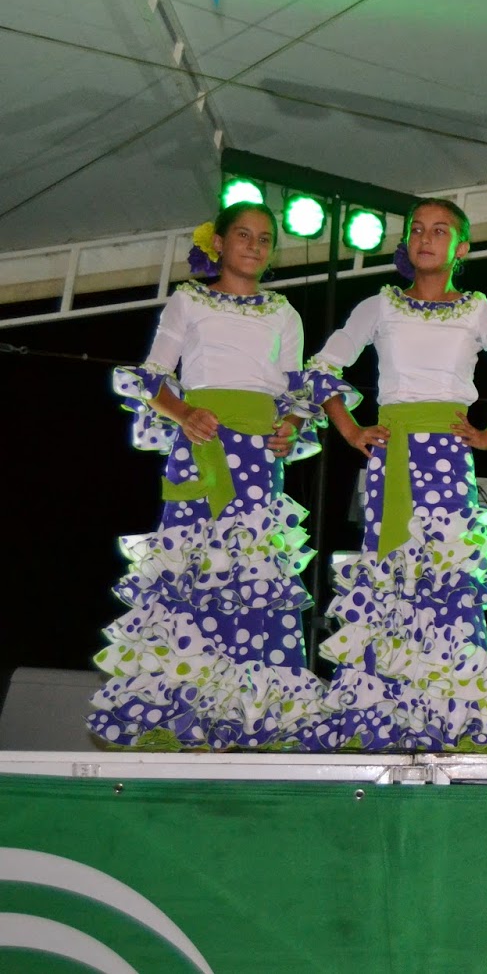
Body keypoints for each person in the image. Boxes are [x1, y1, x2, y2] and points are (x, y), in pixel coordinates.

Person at [301, 198, 487, 751]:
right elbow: (324, 365)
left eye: (440, 230)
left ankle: (451, 722)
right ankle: (382, 721)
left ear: (460, 248)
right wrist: (351, 432)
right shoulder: (378, 305)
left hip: (447, 462)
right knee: (390, 585)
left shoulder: (479, 311)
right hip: (391, 461)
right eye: (417, 229)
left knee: (446, 589)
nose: (426, 237)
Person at [88, 202, 325, 750]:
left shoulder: (285, 312)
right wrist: (186, 414)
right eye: (243, 235)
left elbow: (295, 391)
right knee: (191, 576)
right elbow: (151, 378)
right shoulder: (188, 299)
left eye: (265, 239)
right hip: (201, 447)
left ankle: (255, 722)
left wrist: (289, 426)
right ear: (218, 243)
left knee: (254, 582)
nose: (255, 246)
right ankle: (173, 719)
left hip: (260, 461)